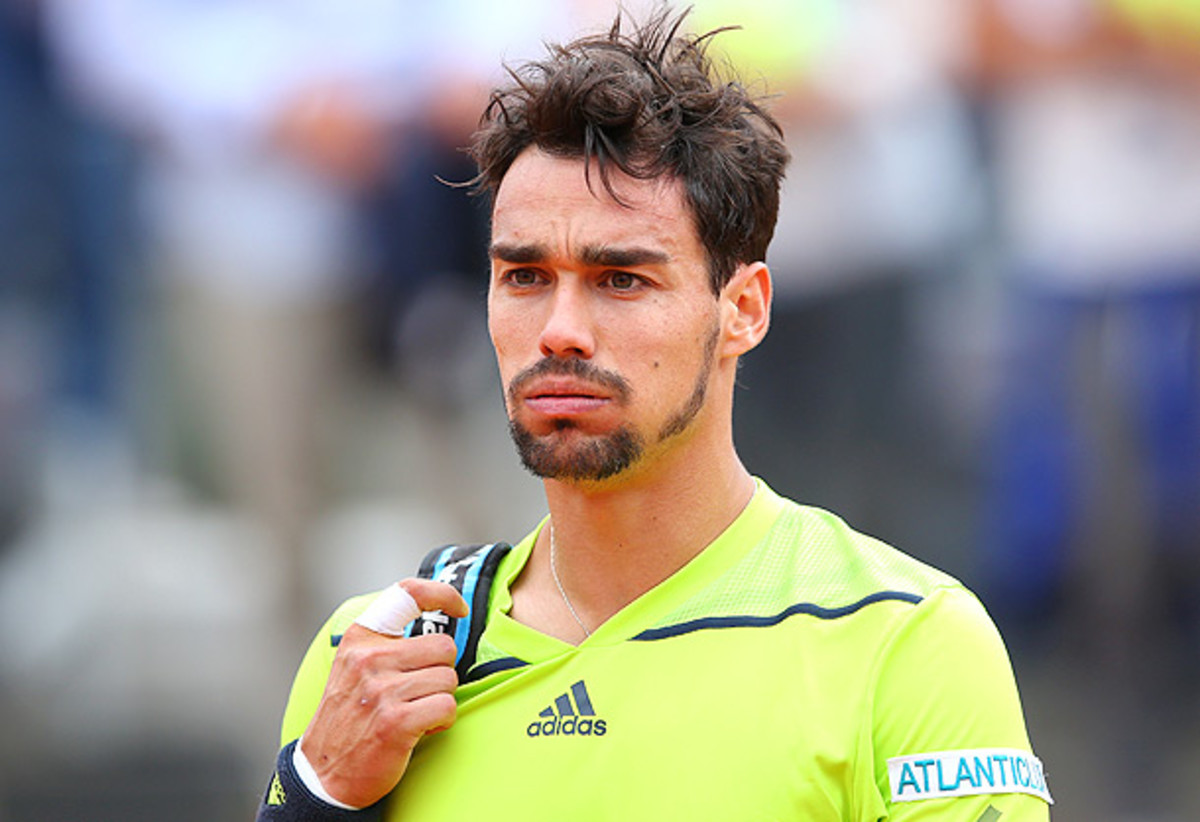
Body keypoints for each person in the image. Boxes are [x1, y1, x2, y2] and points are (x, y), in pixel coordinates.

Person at [256, 8, 1052, 820]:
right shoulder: (377, 657)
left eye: (620, 280)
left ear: (742, 309)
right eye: (525, 277)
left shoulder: (904, 642)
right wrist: (319, 796)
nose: (560, 329)